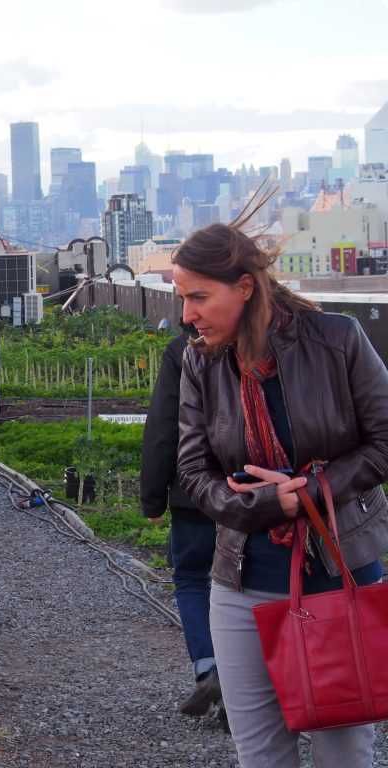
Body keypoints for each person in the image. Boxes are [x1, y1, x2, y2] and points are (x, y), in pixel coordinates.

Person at [176, 218, 388, 767]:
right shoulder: (200, 361)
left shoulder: (336, 339)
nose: (187, 315)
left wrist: (313, 490)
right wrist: (272, 503)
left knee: (345, 754)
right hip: (241, 583)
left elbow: (384, 440)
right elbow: (194, 472)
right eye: (182, 298)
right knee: (263, 756)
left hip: (340, 576)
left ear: (244, 288)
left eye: (199, 297)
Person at [141, 330, 221, 719]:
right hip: (256, 492)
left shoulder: (183, 347)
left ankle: (208, 666)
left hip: (194, 491)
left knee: (191, 578)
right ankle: (248, 682)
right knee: (251, 584)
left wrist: (153, 496)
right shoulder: (265, 337)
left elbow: (164, 424)